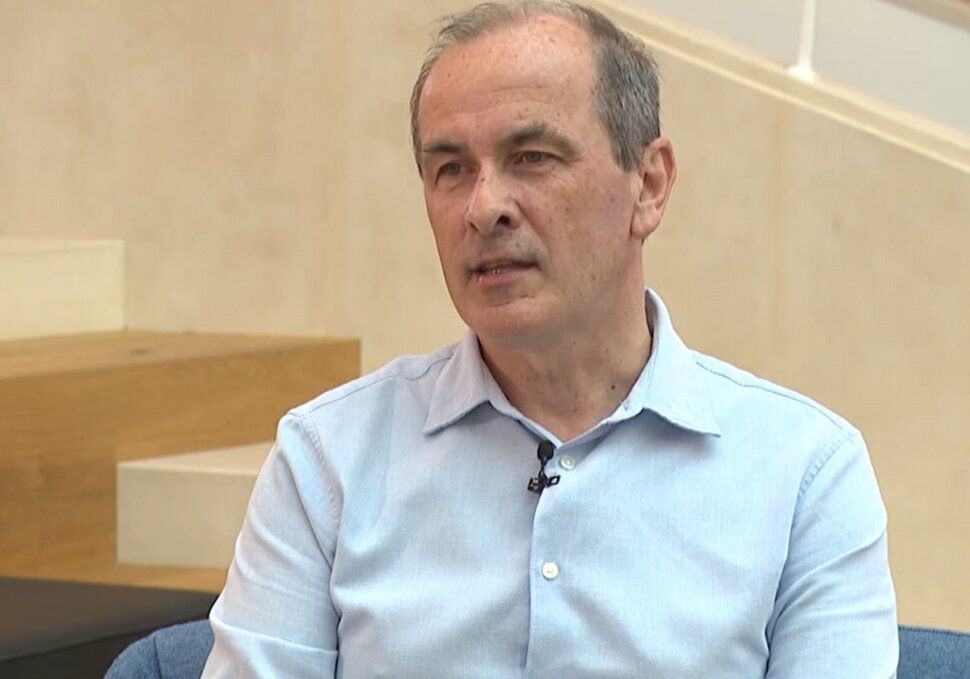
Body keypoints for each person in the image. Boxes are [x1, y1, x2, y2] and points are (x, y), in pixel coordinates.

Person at [202, 2, 898, 677]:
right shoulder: (328, 459)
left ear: (649, 186)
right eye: (451, 169)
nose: (484, 208)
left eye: (531, 157)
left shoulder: (804, 474)